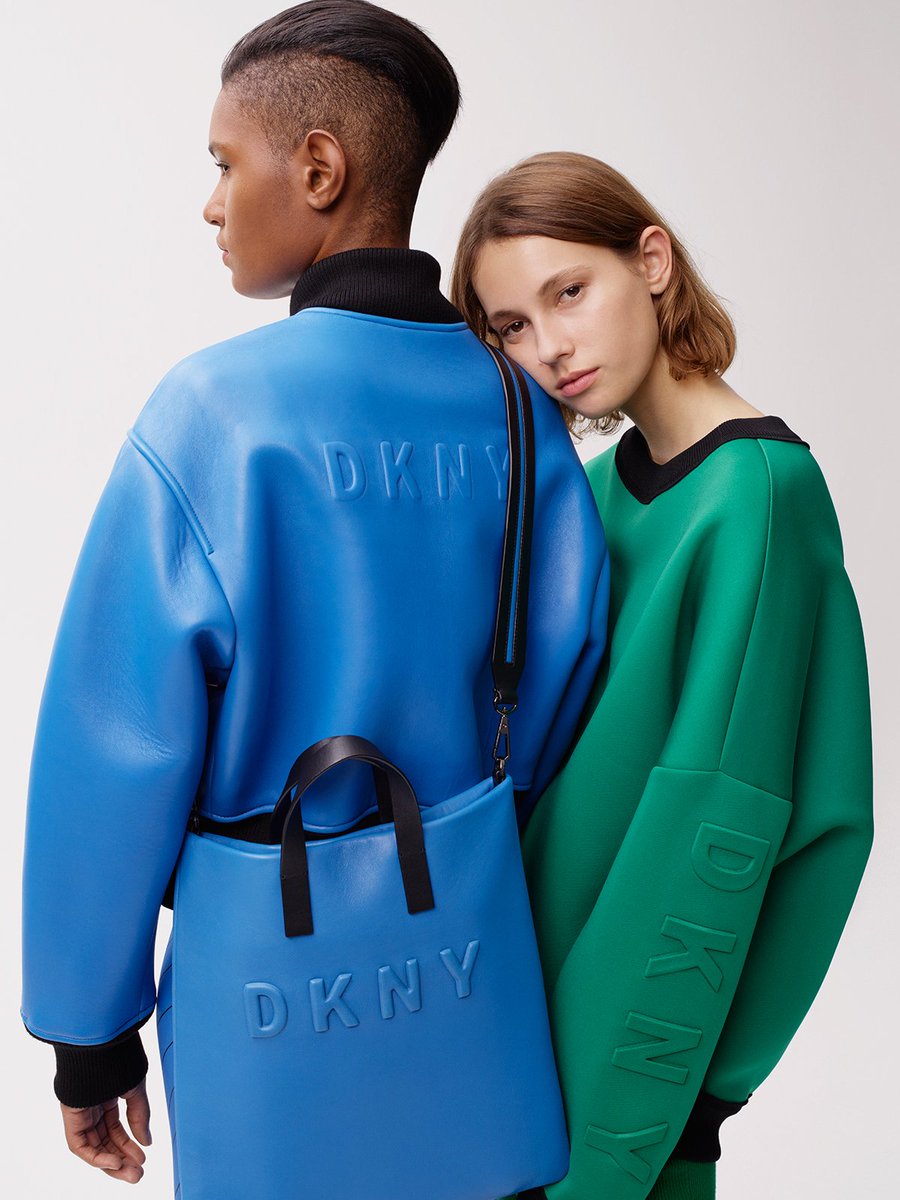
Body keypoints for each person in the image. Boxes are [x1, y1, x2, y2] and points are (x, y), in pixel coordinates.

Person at [20, 11, 610, 1192]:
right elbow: (561, 692)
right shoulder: (519, 413)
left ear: (321, 169)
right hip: (469, 974)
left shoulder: (212, 413)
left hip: (264, 996)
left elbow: (115, 742)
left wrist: (90, 1033)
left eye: (224, 163)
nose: (211, 204)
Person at [450, 151, 874, 1200]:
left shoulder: (759, 495)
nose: (549, 347)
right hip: (518, 1007)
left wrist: (694, 1094)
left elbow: (746, 822)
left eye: (569, 293)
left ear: (651, 261)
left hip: (633, 1039)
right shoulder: (592, 493)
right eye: (511, 326)